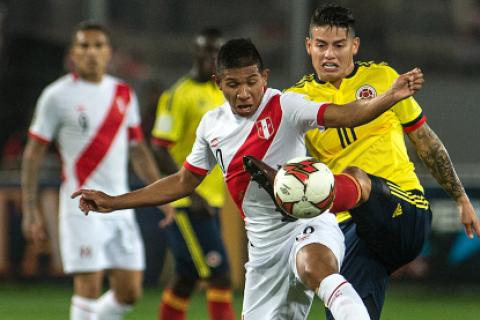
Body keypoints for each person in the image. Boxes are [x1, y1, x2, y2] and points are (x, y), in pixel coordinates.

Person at [72, 38, 424, 320]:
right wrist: (114, 201)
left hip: (308, 225)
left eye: (252, 82)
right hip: (263, 250)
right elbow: (182, 182)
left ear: (265, 78)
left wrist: (390, 97)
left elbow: (346, 114)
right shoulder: (212, 126)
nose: (244, 93)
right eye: (233, 84)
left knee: (318, 270)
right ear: (218, 83)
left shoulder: (287, 106)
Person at [285, 4, 480, 319]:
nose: (329, 54)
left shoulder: (383, 78)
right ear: (309, 46)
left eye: (339, 45)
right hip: (352, 231)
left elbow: (425, 141)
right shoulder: (298, 101)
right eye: (321, 45)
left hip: (404, 210)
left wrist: (460, 198)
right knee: (349, 312)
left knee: (356, 176)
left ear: (355, 46)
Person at [21, 21, 173, 320]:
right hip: (81, 204)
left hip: (120, 204)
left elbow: (138, 151)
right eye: (84, 46)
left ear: (109, 53)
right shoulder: (57, 95)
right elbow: (33, 153)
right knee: (88, 287)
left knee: (129, 293)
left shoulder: (123, 92)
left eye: (98, 45)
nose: (91, 52)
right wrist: (29, 208)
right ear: (73, 53)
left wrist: (161, 193)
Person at [150, 28, 235, 320]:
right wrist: (190, 190)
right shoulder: (177, 95)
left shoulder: (221, 92)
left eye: (217, 53)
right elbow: (159, 149)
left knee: (186, 277)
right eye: (206, 51)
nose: (212, 58)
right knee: (220, 274)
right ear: (196, 53)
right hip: (187, 203)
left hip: (212, 199)